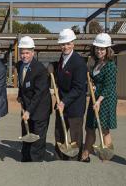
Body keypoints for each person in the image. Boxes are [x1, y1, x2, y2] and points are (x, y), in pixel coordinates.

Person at [81, 33, 118, 162]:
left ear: (108, 50)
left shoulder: (110, 66)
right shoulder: (96, 63)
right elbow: (93, 80)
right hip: (94, 98)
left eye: (102, 49)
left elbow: (108, 87)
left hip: (106, 100)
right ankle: (86, 152)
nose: (99, 51)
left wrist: (99, 101)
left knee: (104, 128)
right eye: (97, 48)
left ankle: (105, 156)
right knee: (90, 126)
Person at [15, 36, 52, 162]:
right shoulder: (19, 65)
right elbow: (22, 83)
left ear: (33, 52)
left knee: (37, 139)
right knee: (26, 134)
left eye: (27, 53)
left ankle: (36, 163)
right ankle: (25, 160)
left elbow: (39, 94)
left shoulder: (40, 69)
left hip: (40, 108)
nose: (24, 55)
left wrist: (28, 111)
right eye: (22, 52)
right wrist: (20, 95)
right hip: (27, 105)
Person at [54, 28, 87, 161]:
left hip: (74, 106)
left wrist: (63, 102)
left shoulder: (79, 62)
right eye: (63, 44)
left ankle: (74, 163)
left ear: (73, 43)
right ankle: (59, 159)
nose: (65, 46)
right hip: (62, 103)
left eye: (68, 43)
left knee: (75, 136)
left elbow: (78, 88)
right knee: (59, 133)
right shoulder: (61, 58)